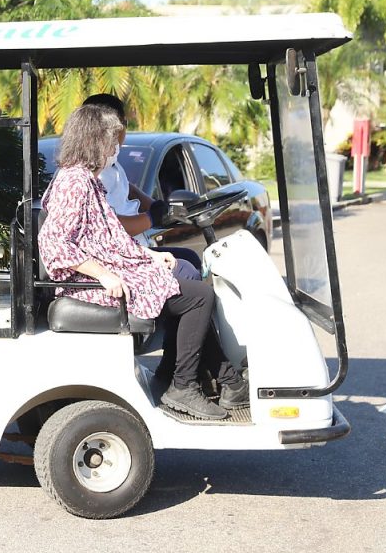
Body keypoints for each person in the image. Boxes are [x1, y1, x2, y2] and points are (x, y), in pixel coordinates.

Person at [39, 104, 247, 420]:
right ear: (94, 141)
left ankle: (185, 377)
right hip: (90, 285)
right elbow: (53, 244)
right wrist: (104, 274)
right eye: (111, 142)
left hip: (108, 271)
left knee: (186, 282)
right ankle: (185, 385)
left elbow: (109, 236)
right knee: (199, 296)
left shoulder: (87, 180)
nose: (114, 149)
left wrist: (150, 255)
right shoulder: (75, 182)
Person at [81, 93, 202, 278]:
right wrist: (151, 218)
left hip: (128, 250)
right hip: (112, 260)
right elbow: (109, 226)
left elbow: (126, 187)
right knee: (187, 272)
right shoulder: (89, 172)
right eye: (122, 125)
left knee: (190, 258)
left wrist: (155, 206)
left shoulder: (109, 163)